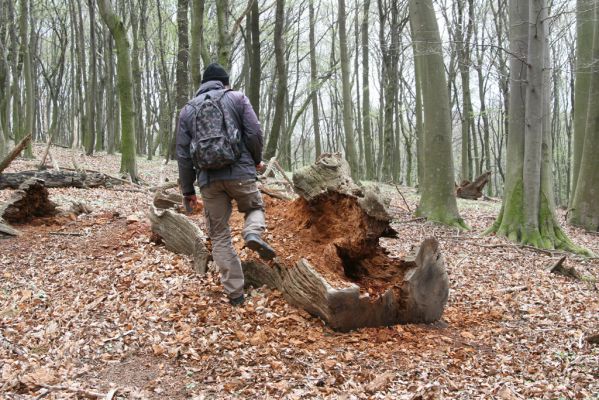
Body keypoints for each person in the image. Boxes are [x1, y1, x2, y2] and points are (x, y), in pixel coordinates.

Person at [176, 63, 276, 306]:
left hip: (209, 180)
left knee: (219, 235)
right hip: (240, 172)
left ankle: (236, 295)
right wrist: (255, 161)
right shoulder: (238, 98)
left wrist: (188, 191)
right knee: (254, 209)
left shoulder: (188, 110)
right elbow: (254, 133)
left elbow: (183, 154)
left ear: (203, 84)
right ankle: (252, 233)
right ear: (225, 82)